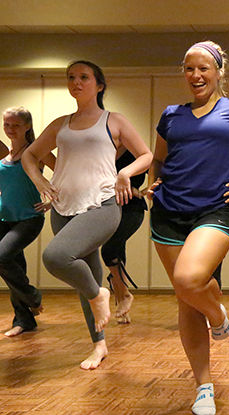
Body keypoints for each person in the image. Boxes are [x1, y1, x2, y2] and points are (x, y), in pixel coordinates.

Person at [147, 40, 229, 415]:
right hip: (169, 211)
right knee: (186, 297)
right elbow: (159, 159)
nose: (196, 76)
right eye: (189, 69)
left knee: (189, 279)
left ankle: (219, 316)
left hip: (216, 208)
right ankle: (204, 387)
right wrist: (151, 183)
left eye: (204, 68)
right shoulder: (171, 115)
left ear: (218, 71)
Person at [22, 60, 152, 369]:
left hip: (102, 206)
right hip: (64, 208)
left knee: (56, 257)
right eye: (71, 77)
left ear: (99, 85)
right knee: (86, 281)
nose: (76, 82)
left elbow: (146, 155)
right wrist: (41, 181)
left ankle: (99, 295)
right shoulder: (60, 124)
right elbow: (30, 155)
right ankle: (99, 345)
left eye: (83, 77)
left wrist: (125, 175)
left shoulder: (113, 121)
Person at [0, 107, 54, 336]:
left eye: (16, 125)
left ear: (27, 126)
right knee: (15, 265)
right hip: (4, 218)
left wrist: (52, 200)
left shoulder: (35, 152)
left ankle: (33, 297)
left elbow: (62, 171)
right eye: (7, 125)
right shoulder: (5, 156)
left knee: (2, 256)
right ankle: (24, 320)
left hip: (29, 219)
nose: (10, 129)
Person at [101, 147, 148, 324]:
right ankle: (121, 300)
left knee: (109, 249)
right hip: (107, 209)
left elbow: (160, 171)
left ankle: (124, 294)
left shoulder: (135, 154)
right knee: (117, 251)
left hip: (132, 210)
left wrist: (141, 191)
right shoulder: (101, 152)